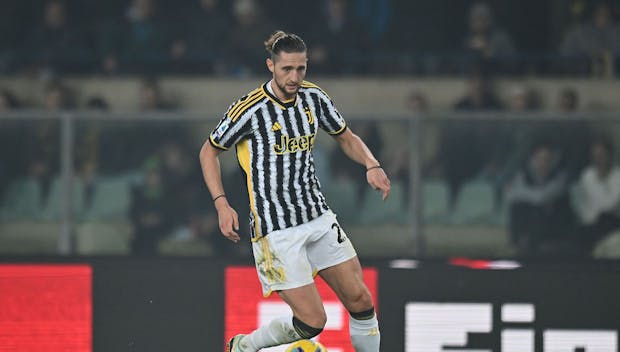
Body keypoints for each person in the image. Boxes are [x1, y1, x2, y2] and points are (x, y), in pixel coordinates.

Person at [199, 31, 389, 352]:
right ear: (270, 65)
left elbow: (345, 136)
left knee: (360, 299)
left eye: (301, 68)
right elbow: (209, 151)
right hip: (276, 230)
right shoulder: (250, 109)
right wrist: (221, 204)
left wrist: (372, 164)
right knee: (312, 322)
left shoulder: (314, 97)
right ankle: (244, 346)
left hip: (317, 215)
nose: (295, 77)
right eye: (287, 69)